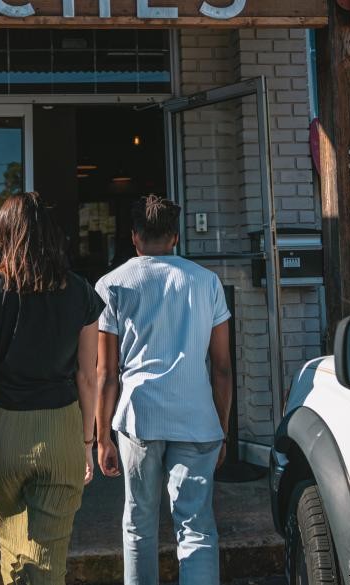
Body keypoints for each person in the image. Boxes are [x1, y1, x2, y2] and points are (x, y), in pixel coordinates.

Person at [0, 192, 105, 585]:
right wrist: (87, 443)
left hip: (2, 435)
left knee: (13, 543)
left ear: (1, 234)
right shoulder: (81, 292)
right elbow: (87, 376)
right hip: (61, 431)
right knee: (47, 557)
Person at [95, 195, 233, 585]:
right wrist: (222, 428)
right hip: (197, 417)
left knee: (139, 524)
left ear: (134, 237)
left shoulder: (112, 284)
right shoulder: (206, 281)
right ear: (175, 236)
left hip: (139, 417)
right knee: (197, 528)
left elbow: (106, 372)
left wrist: (101, 436)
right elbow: (221, 367)